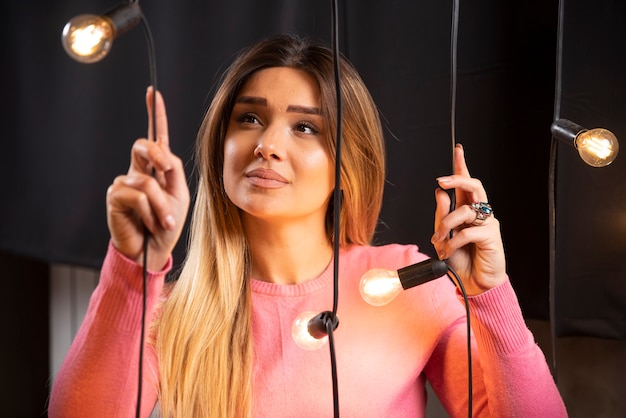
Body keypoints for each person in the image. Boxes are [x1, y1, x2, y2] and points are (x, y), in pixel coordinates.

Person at [48, 33, 567, 417]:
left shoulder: (410, 284)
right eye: (249, 118)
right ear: (218, 145)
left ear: (347, 164)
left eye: (304, 127)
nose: (267, 143)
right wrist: (133, 271)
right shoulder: (172, 312)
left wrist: (491, 297)